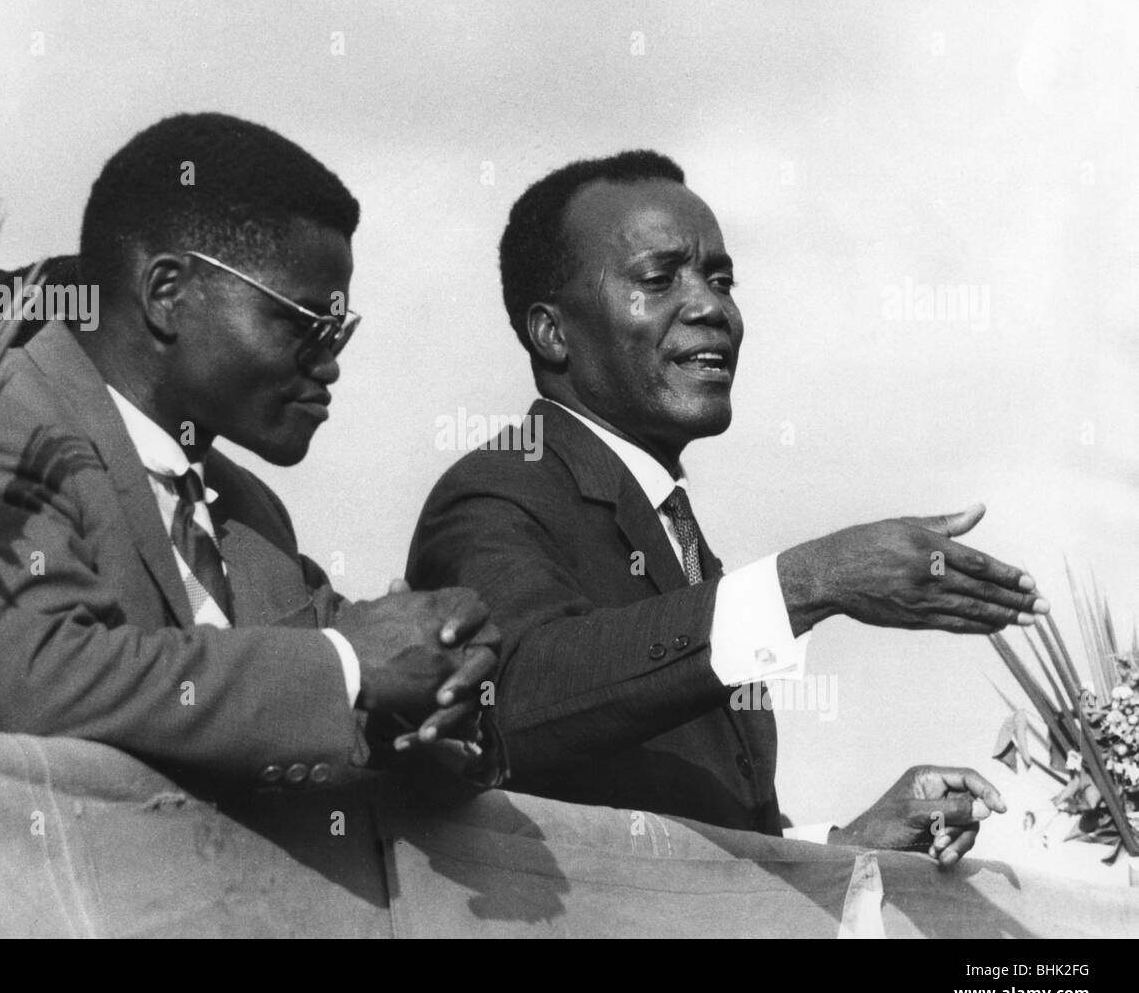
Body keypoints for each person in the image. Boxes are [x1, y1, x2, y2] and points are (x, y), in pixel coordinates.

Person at [407, 150, 1043, 865]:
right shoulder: (497, 494)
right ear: (553, 332)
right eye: (658, 278)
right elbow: (514, 703)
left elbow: (676, 816)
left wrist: (846, 844)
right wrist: (808, 582)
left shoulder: (670, 529)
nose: (712, 307)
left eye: (720, 278)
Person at [0, 112, 500, 799]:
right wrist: (348, 666)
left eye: (340, 332)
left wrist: (429, 695)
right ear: (167, 294)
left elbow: (286, 703)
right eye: (304, 324)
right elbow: (33, 684)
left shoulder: (246, 507)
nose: (329, 367)